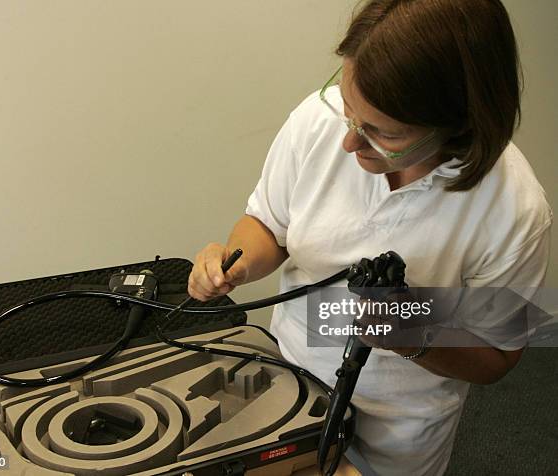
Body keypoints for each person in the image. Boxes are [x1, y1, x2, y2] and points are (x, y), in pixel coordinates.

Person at [188, 0, 552, 474]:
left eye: (382, 132)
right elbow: (267, 225)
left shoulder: (514, 209)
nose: (349, 143)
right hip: (284, 388)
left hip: (400, 429)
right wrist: (236, 263)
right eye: (348, 110)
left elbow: (498, 355)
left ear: (461, 122)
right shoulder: (319, 121)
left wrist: (410, 334)